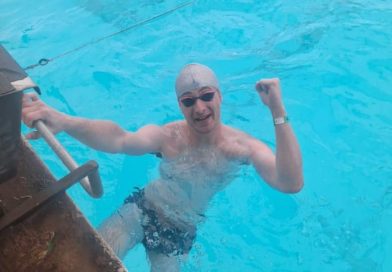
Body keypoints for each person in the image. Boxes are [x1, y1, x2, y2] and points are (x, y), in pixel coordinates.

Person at [22, 63, 303, 271]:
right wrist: (64, 121)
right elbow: (120, 139)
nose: (200, 107)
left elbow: (290, 183)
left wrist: (277, 110)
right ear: (180, 105)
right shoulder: (169, 137)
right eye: (189, 100)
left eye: (206, 96)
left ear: (219, 96)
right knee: (86, 262)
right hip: (141, 210)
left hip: (179, 233)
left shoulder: (241, 148)